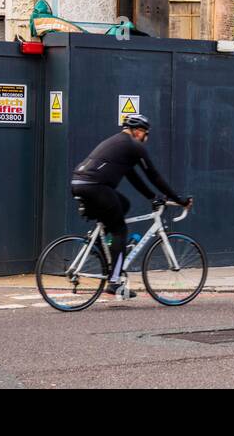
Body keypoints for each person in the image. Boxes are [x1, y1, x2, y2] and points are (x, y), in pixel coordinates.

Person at [70, 114, 191, 298]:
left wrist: (153, 197)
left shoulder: (119, 144)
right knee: (120, 230)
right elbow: (153, 175)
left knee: (123, 205)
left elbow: (133, 177)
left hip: (80, 184)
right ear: (138, 131)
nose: (145, 139)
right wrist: (179, 200)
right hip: (95, 187)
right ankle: (115, 281)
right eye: (145, 134)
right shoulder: (133, 146)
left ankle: (106, 249)